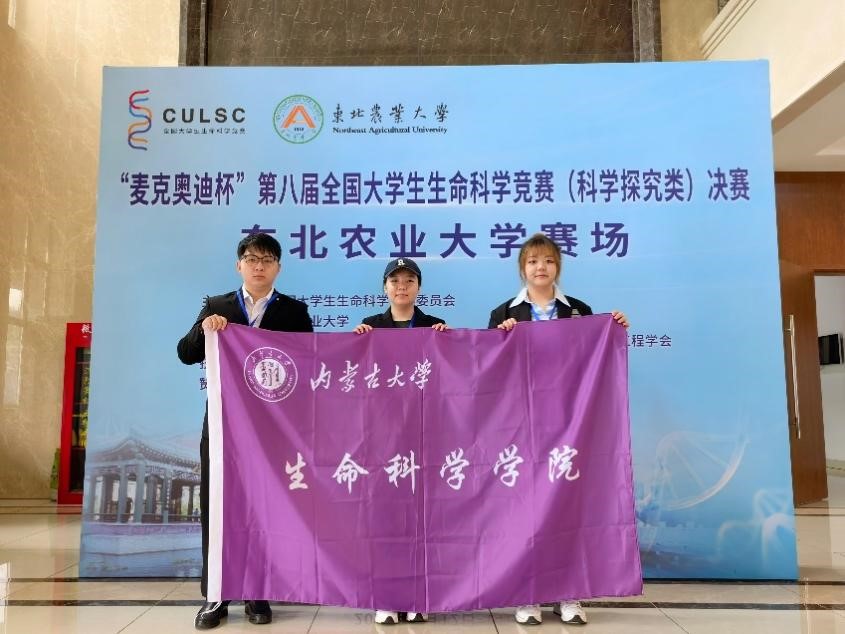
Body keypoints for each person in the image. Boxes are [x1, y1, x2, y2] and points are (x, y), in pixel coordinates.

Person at [488, 233, 629, 627]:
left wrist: (613, 326)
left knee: (568, 507)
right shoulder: (503, 312)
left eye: (549, 260)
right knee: (526, 511)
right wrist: (500, 338)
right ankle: (527, 593)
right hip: (523, 425)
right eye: (533, 261)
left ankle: (569, 592)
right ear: (522, 268)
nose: (541, 267)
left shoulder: (579, 312)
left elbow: (595, 361)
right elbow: (489, 370)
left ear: (558, 267)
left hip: (571, 424)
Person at [177, 233, 313, 630]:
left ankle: (258, 592)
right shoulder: (217, 306)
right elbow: (185, 353)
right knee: (218, 507)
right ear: (239, 265)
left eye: (267, 260)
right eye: (252, 259)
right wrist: (204, 329)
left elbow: (310, 363)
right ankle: (215, 594)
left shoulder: (294, 312)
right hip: (223, 430)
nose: (259, 266)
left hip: (271, 431)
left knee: (264, 509)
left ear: (278, 268)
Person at [353, 257, 447, 625]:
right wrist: (355, 344)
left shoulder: (434, 326)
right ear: (385, 287)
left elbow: (449, 381)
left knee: (421, 520)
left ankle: (418, 596)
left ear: (419, 287)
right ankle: (386, 598)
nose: (402, 286)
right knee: (385, 518)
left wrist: (448, 343)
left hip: (424, 435)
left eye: (409, 280)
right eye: (395, 280)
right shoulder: (370, 326)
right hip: (383, 438)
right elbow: (355, 378)